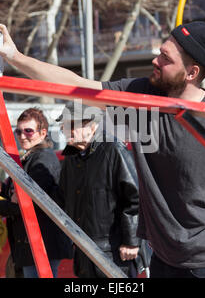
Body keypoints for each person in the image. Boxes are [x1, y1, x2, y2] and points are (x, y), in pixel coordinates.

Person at [0, 21, 205, 278]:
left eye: (166, 58)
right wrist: (14, 56)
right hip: (164, 259)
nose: (156, 60)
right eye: (160, 53)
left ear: (191, 73)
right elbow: (77, 86)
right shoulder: (142, 96)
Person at [56, 101, 145, 278]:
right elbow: (63, 199)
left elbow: (135, 198)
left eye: (72, 124)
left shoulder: (112, 149)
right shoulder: (71, 159)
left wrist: (131, 242)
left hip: (114, 252)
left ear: (92, 125)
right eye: (64, 125)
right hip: (84, 251)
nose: (67, 130)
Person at [0, 107, 72, 278]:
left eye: (28, 131)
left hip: (42, 242)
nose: (22, 136)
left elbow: (29, 203)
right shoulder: (30, 158)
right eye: (18, 131)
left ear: (43, 133)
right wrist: (3, 191)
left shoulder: (43, 159)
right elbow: (19, 197)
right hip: (33, 242)